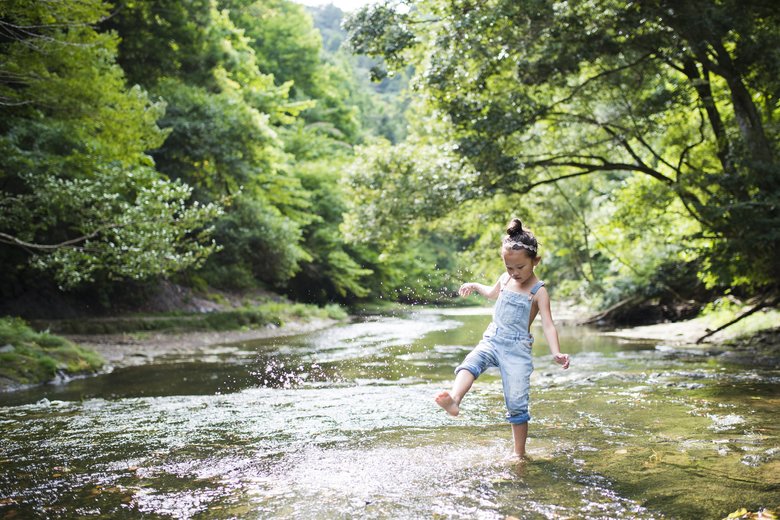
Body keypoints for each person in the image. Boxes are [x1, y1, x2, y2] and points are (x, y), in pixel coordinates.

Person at [435, 217, 570, 458]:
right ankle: (454, 399)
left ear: (535, 261)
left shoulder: (539, 292)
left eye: (521, 268)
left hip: (517, 350)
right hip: (493, 338)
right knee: (470, 363)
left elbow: (548, 324)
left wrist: (556, 351)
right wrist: (475, 285)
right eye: (510, 267)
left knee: (517, 404)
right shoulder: (505, 279)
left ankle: (519, 454)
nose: (515, 273)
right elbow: (490, 294)